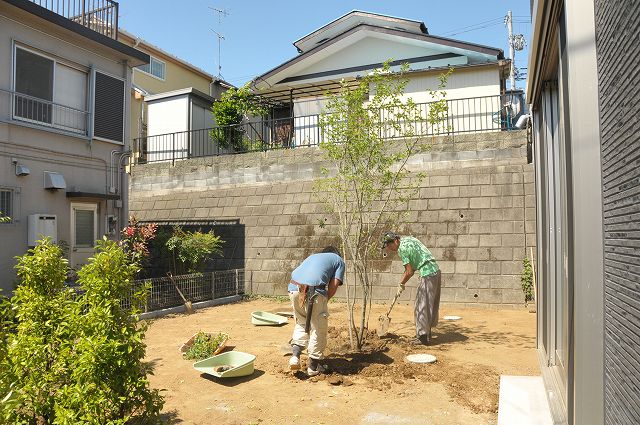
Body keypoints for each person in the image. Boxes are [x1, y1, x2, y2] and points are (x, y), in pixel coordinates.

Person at [287, 246, 345, 376]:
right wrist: (325, 300)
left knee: (301, 323)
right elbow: (334, 284)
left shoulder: (313, 256)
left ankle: (295, 357)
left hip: (294, 288)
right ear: (337, 254)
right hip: (313, 291)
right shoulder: (338, 260)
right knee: (318, 327)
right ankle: (312, 367)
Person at [381, 231, 441, 345]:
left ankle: (422, 337)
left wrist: (401, 284)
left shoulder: (402, 249)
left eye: (389, 245)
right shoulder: (409, 240)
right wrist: (403, 281)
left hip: (428, 273)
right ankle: (426, 332)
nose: (389, 249)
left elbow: (409, 272)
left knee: (421, 305)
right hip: (436, 271)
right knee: (429, 304)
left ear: (395, 241)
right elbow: (412, 267)